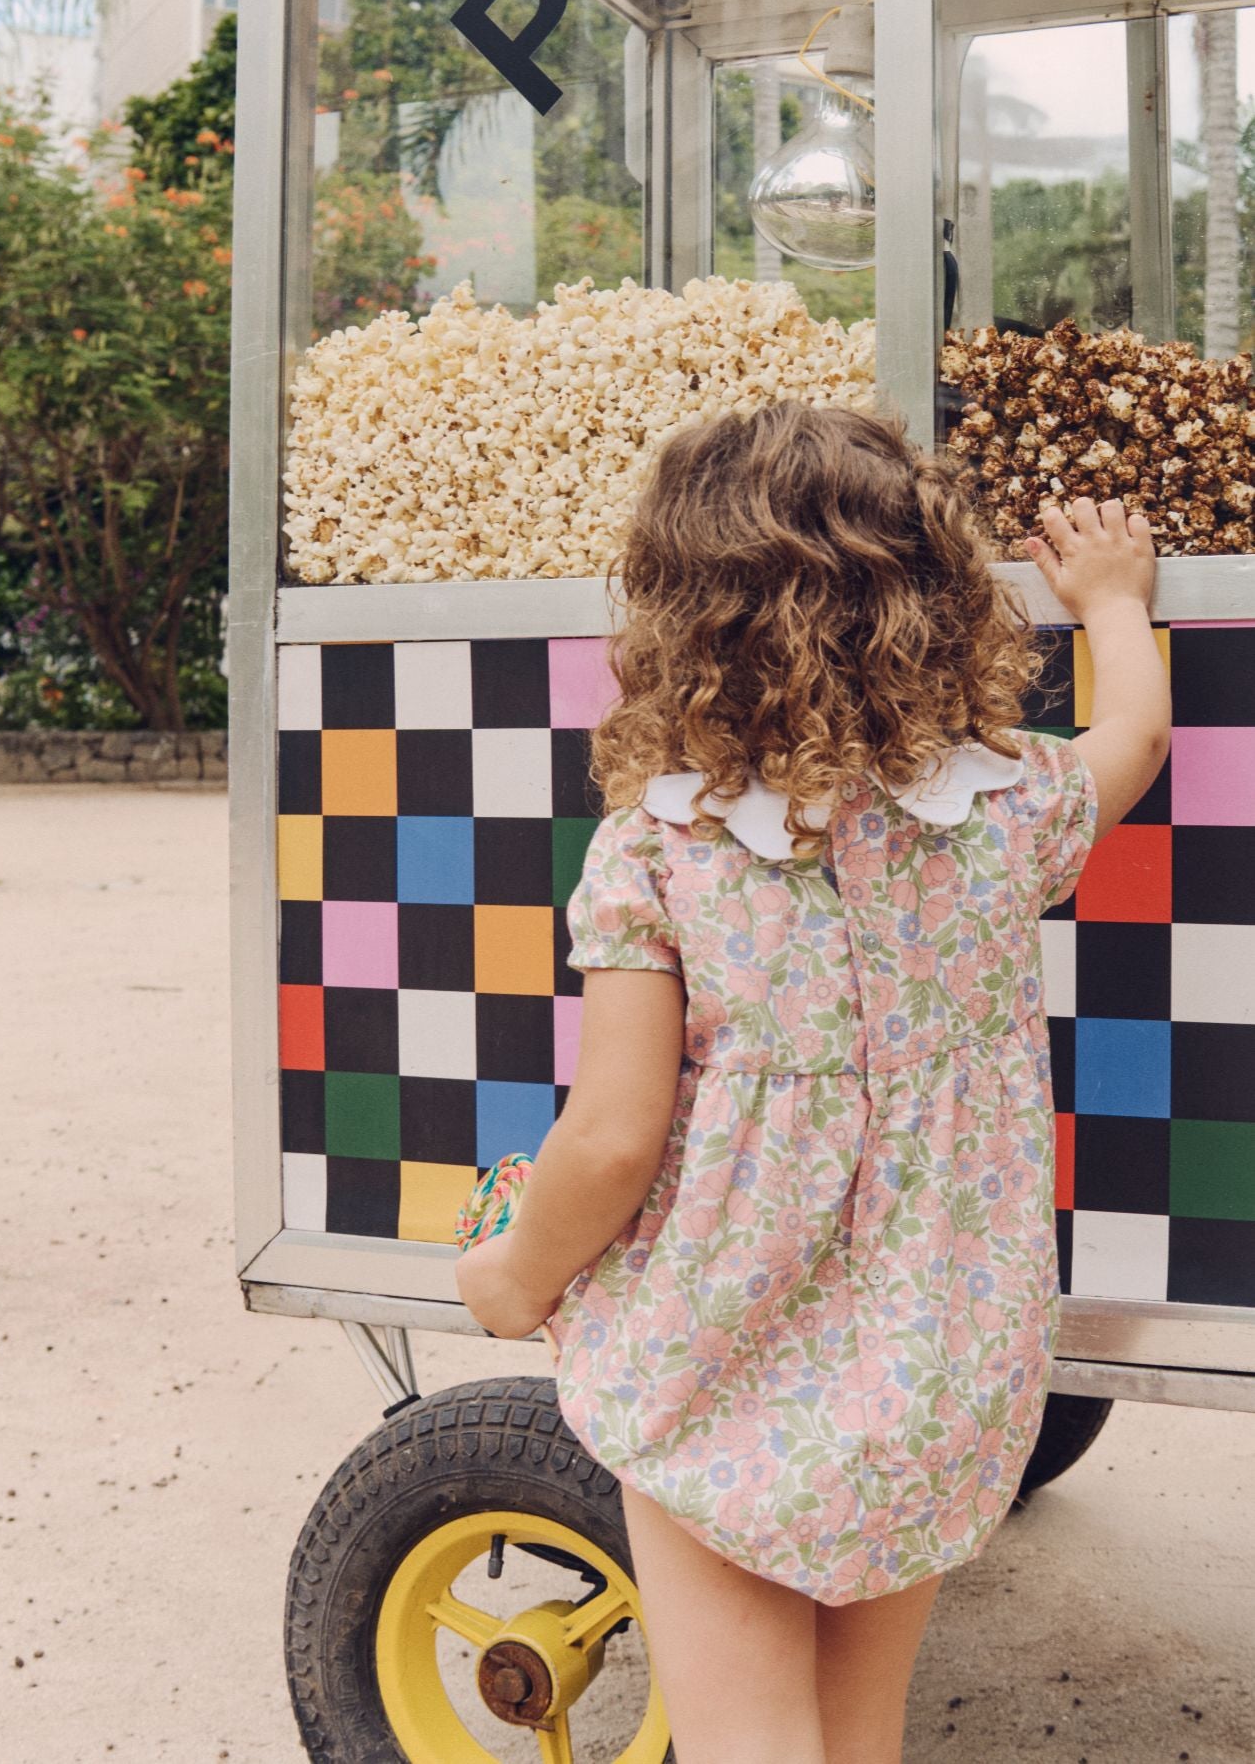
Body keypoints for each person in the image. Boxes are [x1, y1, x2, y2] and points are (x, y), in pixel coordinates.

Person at [455, 403, 1170, 1764]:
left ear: (681, 620)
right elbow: (1129, 737)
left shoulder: (657, 855)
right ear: (941, 601)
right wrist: (1115, 599)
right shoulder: (1000, 812)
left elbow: (609, 1140)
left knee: (748, 1737)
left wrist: (515, 1277)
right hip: (939, 1366)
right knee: (853, 1734)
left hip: (724, 1372)